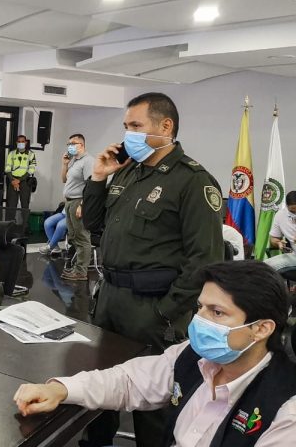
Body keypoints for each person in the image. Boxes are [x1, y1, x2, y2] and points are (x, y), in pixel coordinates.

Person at [14, 260, 296, 447]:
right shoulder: (192, 356)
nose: (200, 321)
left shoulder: (286, 408)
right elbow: (129, 381)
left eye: (217, 313)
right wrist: (62, 389)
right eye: (200, 307)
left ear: (261, 329)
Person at [81, 92, 225, 446]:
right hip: (111, 299)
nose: (127, 134)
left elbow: (204, 260)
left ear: (165, 126)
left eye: (135, 126)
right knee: (102, 391)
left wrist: (164, 313)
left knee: (154, 405)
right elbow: (94, 225)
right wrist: (98, 177)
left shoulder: (192, 180)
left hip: (153, 306)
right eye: (126, 126)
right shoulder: (129, 173)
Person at [60, 133, 94, 281]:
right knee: (73, 236)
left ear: (81, 145)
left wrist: (82, 205)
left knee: (82, 237)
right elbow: (64, 179)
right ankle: (77, 267)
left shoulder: (88, 161)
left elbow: (91, 185)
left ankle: (81, 271)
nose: (69, 146)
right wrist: (65, 164)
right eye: (68, 144)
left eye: (72, 143)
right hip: (69, 202)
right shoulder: (74, 160)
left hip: (78, 202)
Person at [264, 191, 296, 273]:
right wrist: (278, 243)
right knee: (263, 267)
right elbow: (273, 239)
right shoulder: (280, 216)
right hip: (294, 255)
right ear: (287, 206)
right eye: (292, 211)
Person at [5, 134, 37, 212]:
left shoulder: (31, 154)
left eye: (23, 141)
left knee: (25, 206)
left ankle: (24, 224)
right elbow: (7, 169)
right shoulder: (11, 154)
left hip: (25, 181)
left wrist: (19, 180)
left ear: (26, 143)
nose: (21, 143)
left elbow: (31, 170)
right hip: (13, 180)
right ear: (16, 143)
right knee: (11, 206)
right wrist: (13, 181)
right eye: (19, 141)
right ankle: (10, 223)